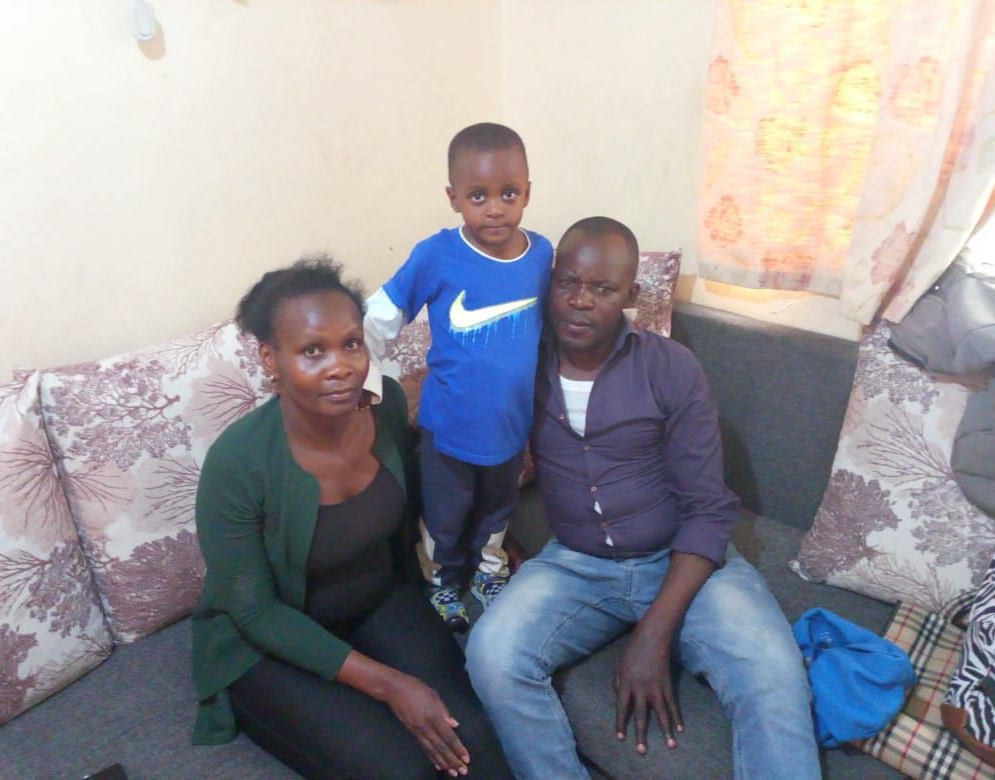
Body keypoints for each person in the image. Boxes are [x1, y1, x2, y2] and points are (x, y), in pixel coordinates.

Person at [465, 217, 821, 779]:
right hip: (576, 563)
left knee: (774, 675)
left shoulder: (671, 368)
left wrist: (654, 633)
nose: (579, 302)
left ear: (629, 297)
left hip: (679, 559)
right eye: (568, 283)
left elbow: (708, 509)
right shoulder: (521, 364)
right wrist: (489, 542)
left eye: (602, 289)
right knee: (490, 652)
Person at [190, 257, 510, 779]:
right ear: (270, 359)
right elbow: (254, 613)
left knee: (473, 736)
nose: (339, 366)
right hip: (270, 641)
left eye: (351, 343)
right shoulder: (238, 463)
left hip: (377, 600)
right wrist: (390, 684)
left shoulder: (382, 409)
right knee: (401, 769)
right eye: (312, 350)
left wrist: (488, 534)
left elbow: (418, 505)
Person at [364, 122, 553, 631]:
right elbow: (378, 316)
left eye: (508, 193)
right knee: (445, 515)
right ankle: (443, 582)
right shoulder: (437, 255)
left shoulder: (543, 256)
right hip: (448, 431)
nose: (495, 207)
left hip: (512, 430)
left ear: (528, 192)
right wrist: (365, 385)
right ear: (453, 198)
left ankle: (489, 572)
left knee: (497, 511)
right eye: (478, 195)